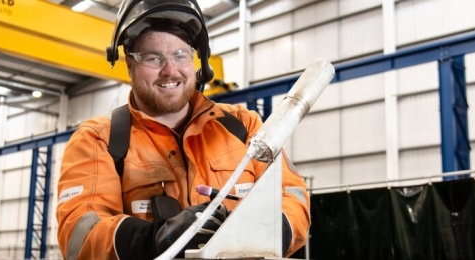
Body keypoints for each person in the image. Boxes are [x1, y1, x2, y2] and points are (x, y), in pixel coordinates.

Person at [56, 0, 310, 259]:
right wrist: (153, 240)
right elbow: (79, 232)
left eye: (180, 55)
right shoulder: (98, 139)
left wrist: (267, 232)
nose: (170, 70)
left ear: (196, 60)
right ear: (129, 65)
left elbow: (292, 193)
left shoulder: (244, 125)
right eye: (153, 58)